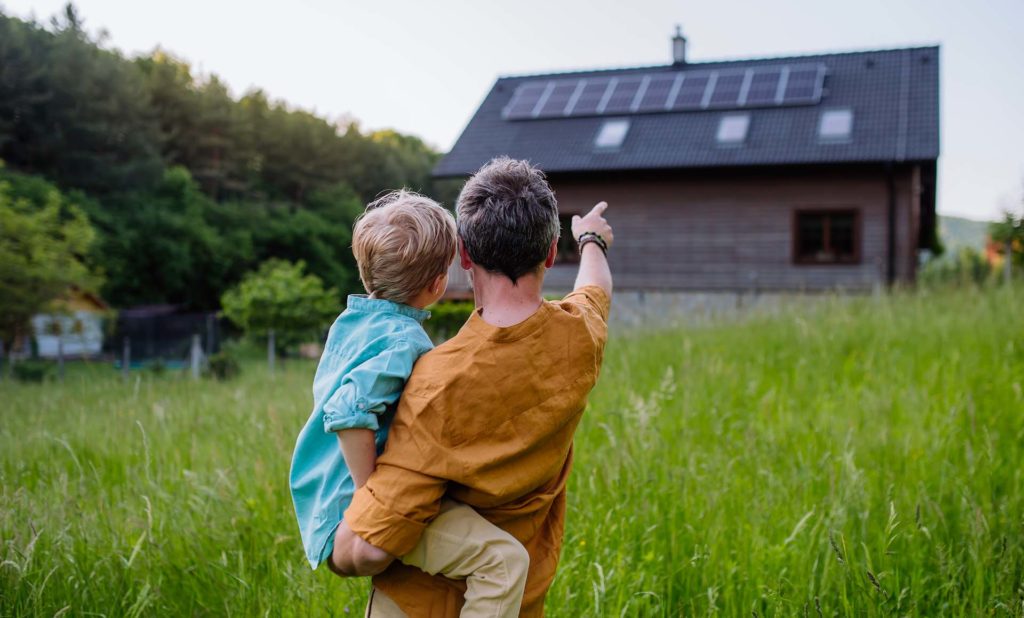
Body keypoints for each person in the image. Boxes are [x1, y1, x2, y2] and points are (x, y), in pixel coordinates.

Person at [332, 157, 615, 617]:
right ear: (548, 253)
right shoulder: (580, 336)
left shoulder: (432, 385)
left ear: (463, 255)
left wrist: (335, 546)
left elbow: (366, 550)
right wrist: (592, 240)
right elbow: (595, 287)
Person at [288, 190, 530, 618]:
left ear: (367, 274)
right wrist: (372, 499)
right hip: (351, 507)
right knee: (503, 562)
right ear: (438, 285)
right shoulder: (404, 342)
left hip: (322, 505)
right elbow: (347, 412)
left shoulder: (350, 324)